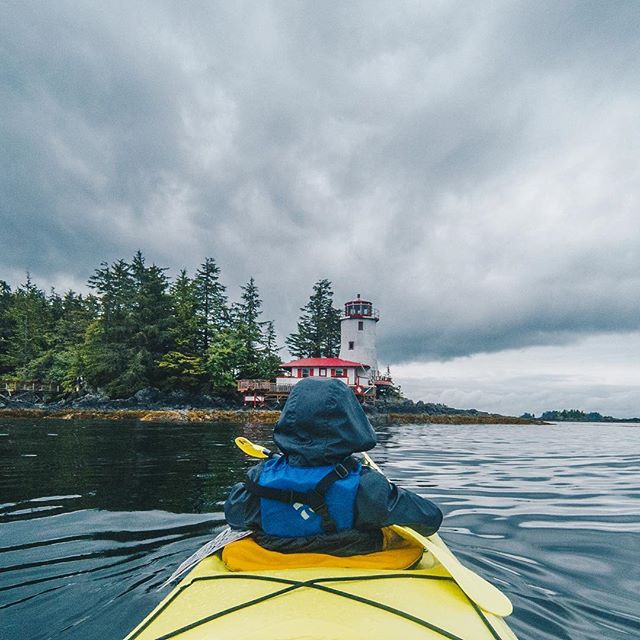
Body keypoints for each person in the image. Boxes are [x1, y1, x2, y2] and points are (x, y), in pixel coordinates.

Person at [225, 377, 443, 556]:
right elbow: (431, 518)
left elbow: (233, 517)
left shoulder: (257, 479)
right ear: (352, 422)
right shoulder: (368, 487)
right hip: (351, 561)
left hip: (276, 561)